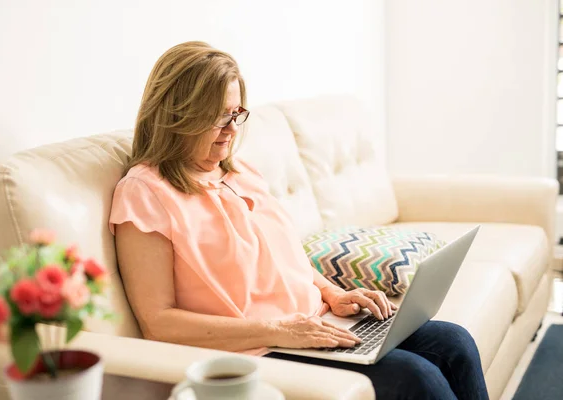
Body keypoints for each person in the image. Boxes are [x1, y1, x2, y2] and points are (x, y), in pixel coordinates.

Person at [109, 41, 489, 400]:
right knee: (415, 377)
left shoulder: (239, 172)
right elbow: (158, 323)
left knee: (454, 343)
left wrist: (333, 294)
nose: (231, 131)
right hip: (259, 350)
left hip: (316, 326)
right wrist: (282, 331)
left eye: (236, 114)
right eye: (218, 119)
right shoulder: (145, 193)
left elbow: (286, 260)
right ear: (177, 116)